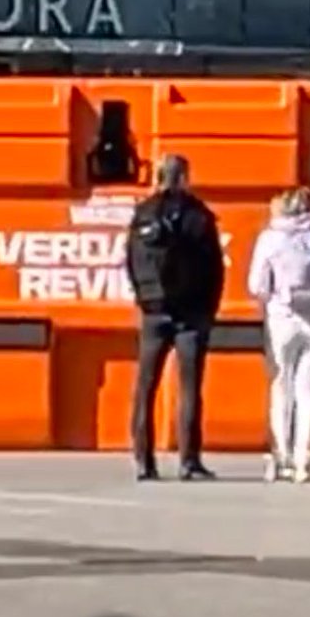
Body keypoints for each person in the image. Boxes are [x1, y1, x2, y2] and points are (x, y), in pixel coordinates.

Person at [126, 154, 224, 481]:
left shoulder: (142, 214)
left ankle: (143, 460)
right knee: (190, 387)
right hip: (192, 312)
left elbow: (131, 261)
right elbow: (214, 267)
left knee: (145, 387)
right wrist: (209, 308)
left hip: (154, 311)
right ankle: (188, 461)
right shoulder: (199, 215)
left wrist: (144, 298)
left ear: (157, 176)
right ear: (184, 177)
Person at [247, 187, 310, 483]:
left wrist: (272, 299)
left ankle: (282, 456)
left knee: (281, 386)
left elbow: (257, 285)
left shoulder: (270, 239)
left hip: (282, 319)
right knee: (308, 389)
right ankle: (305, 460)